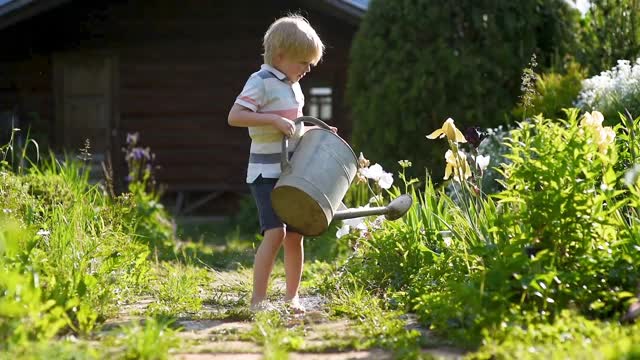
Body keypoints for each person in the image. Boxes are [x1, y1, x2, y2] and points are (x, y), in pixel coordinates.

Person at [227, 14, 333, 313]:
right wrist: (272, 119)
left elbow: (294, 126)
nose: (307, 69)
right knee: (276, 233)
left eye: (311, 64)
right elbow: (235, 116)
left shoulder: (293, 85)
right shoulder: (260, 82)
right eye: (303, 62)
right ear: (281, 55)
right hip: (265, 172)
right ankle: (258, 300)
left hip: (292, 172)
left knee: (296, 235)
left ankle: (292, 297)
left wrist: (316, 130)